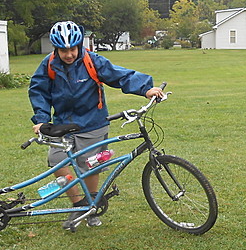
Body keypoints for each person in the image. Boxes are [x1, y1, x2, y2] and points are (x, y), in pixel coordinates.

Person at [29, 21, 163, 231]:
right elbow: (39, 92)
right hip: (62, 124)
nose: (69, 54)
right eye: (64, 50)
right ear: (56, 49)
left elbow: (119, 75)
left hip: (92, 121)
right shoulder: (49, 64)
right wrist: (41, 119)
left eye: (73, 49)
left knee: (90, 165)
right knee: (56, 160)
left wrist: (145, 89)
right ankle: (79, 204)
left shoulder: (93, 61)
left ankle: (91, 206)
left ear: (79, 45)